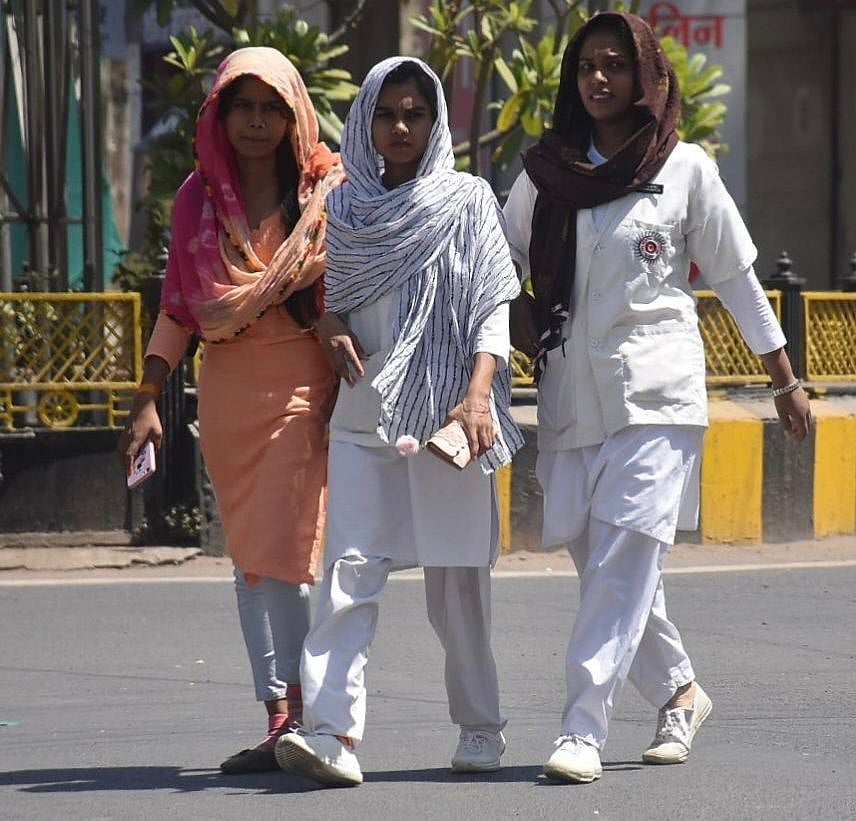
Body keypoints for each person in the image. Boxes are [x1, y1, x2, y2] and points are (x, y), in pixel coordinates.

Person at [502, 12, 812, 784]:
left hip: (659, 391)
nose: (600, 78)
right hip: (571, 388)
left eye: (616, 65)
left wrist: (785, 378)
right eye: (587, 67)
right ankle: (680, 691)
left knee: (622, 557)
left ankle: (581, 725)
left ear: (647, 76)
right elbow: (499, 262)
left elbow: (738, 278)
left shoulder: (686, 168)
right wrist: (511, 332)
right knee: (598, 555)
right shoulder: (544, 172)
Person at [273, 57, 522, 787]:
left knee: (457, 582)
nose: (402, 126)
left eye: (415, 113)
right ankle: (332, 731)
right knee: (348, 571)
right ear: (366, 123)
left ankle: (480, 726)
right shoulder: (344, 207)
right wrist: (330, 326)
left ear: (436, 118)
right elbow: (340, 299)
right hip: (364, 412)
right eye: (387, 114)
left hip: (449, 415)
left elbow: (493, 302)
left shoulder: (469, 199)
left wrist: (477, 396)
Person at [117, 47, 345, 773]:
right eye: (241, 106)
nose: (255, 121)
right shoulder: (197, 198)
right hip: (227, 389)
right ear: (220, 113)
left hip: (305, 379)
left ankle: (310, 711)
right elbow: (179, 306)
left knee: (287, 549)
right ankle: (277, 716)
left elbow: (354, 284)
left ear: (292, 114)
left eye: (269, 107)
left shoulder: (327, 189)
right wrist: (148, 397)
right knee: (249, 558)